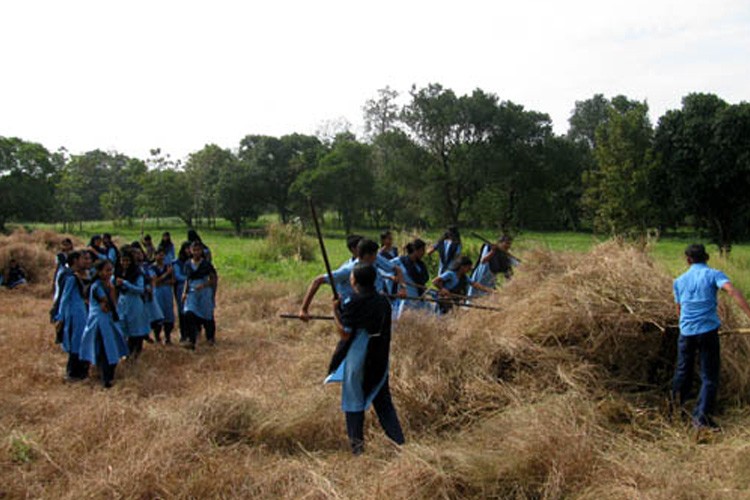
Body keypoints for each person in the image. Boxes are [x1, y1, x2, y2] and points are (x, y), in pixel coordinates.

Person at [328, 263, 405, 455]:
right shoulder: (383, 303)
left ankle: (357, 451)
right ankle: (400, 445)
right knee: (383, 402)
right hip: (379, 358)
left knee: (353, 404)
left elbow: (345, 334)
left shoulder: (352, 302)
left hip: (358, 360)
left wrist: (335, 312)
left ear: (354, 280)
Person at [671, 244, 750, 431]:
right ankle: (701, 420)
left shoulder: (679, 281)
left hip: (686, 332)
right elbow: (731, 291)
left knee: (683, 372)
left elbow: (680, 310)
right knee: (709, 376)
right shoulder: (714, 274)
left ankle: (674, 412)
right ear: (706, 258)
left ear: (688, 260)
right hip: (707, 332)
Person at [299, 239, 404, 321]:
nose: (376, 257)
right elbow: (318, 281)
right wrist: (304, 309)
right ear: (367, 255)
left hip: (374, 307)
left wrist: (403, 288)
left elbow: (396, 269)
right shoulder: (348, 270)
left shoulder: (375, 260)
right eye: (374, 255)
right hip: (354, 312)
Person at [79, 259, 129, 388]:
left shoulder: (103, 285)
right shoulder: (98, 287)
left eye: (111, 270)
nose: (109, 273)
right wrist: (112, 290)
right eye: (107, 270)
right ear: (99, 272)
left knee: (108, 351)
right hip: (100, 323)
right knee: (105, 352)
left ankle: (107, 378)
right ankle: (106, 379)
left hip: (107, 321)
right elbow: (108, 305)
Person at [55, 251, 91, 380]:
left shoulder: (81, 275)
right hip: (74, 314)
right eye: (83, 258)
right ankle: (73, 372)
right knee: (76, 342)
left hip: (81, 312)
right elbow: (64, 298)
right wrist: (60, 317)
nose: (87, 261)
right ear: (76, 261)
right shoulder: (71, 277)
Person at [115, 248, 150, 358]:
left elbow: (140, 289)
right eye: (123, 260)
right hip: (122, 303)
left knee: (136, 330)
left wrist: (126, 283)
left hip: (134, 303)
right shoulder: (118, 272)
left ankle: (136, 353)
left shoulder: (137, 273)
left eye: (127, 260)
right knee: (124, 329)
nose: (125, 263)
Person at [182, 241, 218, 350]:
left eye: (198, 250)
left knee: (207, 315)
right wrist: (184, 292)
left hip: (204, 292)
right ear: (191, 251)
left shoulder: (206, 264)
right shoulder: (188, 264)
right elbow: (187, 279)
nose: (196, 252)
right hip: (192, 291)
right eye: (194, 250)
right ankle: (191, 340)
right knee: (189, 313)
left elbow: (213, 279)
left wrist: (204, 285)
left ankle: (210, 337)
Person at [391, 239, 430, 318]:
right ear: (415, 250)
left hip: (418, 299)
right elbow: (384, 268)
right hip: (405, 299)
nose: (423, 253)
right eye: (422, 250)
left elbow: (424, 279)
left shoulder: (421, 265)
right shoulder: (399, 261)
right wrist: (392, 277)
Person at [151, 247, 175, 344]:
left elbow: (173, 281)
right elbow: (155, 282)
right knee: (158, 315)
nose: (161, 257)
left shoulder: (168, 266)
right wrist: (166, 275)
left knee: (169, 315)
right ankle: (157, 336)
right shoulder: (152, 268)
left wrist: (163, 280)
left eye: (162, 255)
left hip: (167, 293)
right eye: (159, 254)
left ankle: (168, 337)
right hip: (157, 293)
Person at [172, 241, 191, 342]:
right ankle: (184, 334)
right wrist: (189, 279)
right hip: (180, 288)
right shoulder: (177, 263)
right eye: (187, 249)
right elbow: (177, 276)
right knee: (182, 311)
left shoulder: (193, 261)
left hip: (192, 289)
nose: (189, 251)